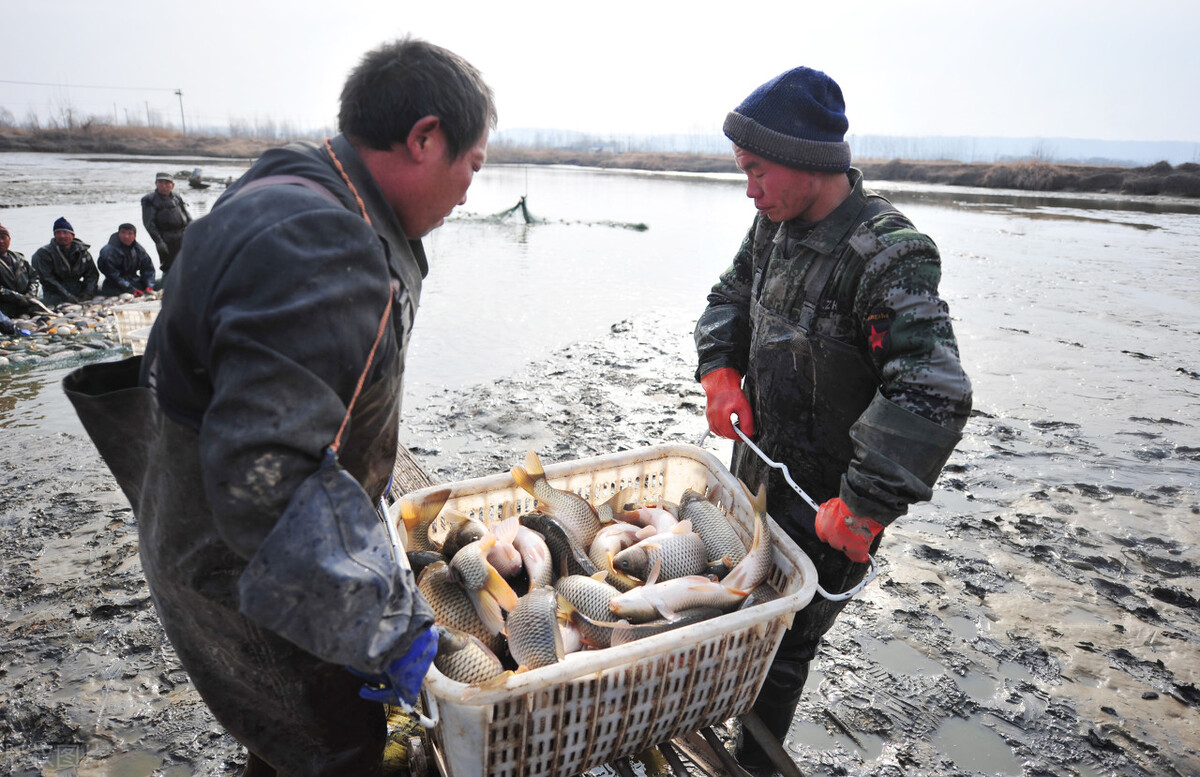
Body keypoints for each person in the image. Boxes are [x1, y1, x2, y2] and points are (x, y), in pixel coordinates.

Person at [64, 37, 494, 777]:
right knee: (336, 747)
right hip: (247, 567)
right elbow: (267, 480)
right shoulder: (321, 241)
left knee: (287, 743)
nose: (467, 192)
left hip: (209, 531)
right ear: (425, 137)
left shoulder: (294, 178)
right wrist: (389, 624)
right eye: (473, 166)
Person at [694, 67, 972, 775]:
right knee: (730, 611)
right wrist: (719, 368)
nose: (749, 189)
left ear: (808, 160)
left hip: (830, 503)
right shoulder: (773, 226)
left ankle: (753, 765)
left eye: (756, 170)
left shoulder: (889, 255)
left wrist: (866, 503)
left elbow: (931, 388)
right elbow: (729, 296)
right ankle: (705, 723)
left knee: (784, 647)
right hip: (759, 471)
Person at [31, 217, 99, 306]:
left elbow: (92, 274)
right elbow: (47, 279)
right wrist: (67, 296)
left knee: (100, 294)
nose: (62, 236)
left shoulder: (83, 252)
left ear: (73, 235)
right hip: (54, 293)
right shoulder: (43, 254)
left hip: (77, 288)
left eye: (65, 233)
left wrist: (88, 293)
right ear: (54, 235)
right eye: (58, 233)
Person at [141, 171, 192, 278]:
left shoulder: (177, 197)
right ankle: (166, 284)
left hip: (183, 235)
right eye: (161, 183)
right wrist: (159, 241)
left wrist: (192, 230)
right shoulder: (149, 200)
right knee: (168, 266)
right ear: (156, 183)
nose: (164, 186)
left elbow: (187, 215)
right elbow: (149, 224)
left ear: (172, 185)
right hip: (166, 238)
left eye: (167, 183)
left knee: (185, 263)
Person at [96, 223, 155, 296]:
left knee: (154, 285)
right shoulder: (108, 251)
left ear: (135, 236)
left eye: (130, 233)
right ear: (119, 234)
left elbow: (148, 268)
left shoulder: (138, 249)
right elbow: (113, 275)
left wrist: (149, 285)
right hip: (113, 285)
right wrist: (131, 290)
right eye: (123, 233)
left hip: (133, 280)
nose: (126, 236)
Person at [0, 222, 42, 320]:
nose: (1, 241)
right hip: (4, 310)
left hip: (26, 306)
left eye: (3, 237)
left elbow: (34, 276)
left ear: (9, 239)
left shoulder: (19, 258)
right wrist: (18, 298)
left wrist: (31, 294)